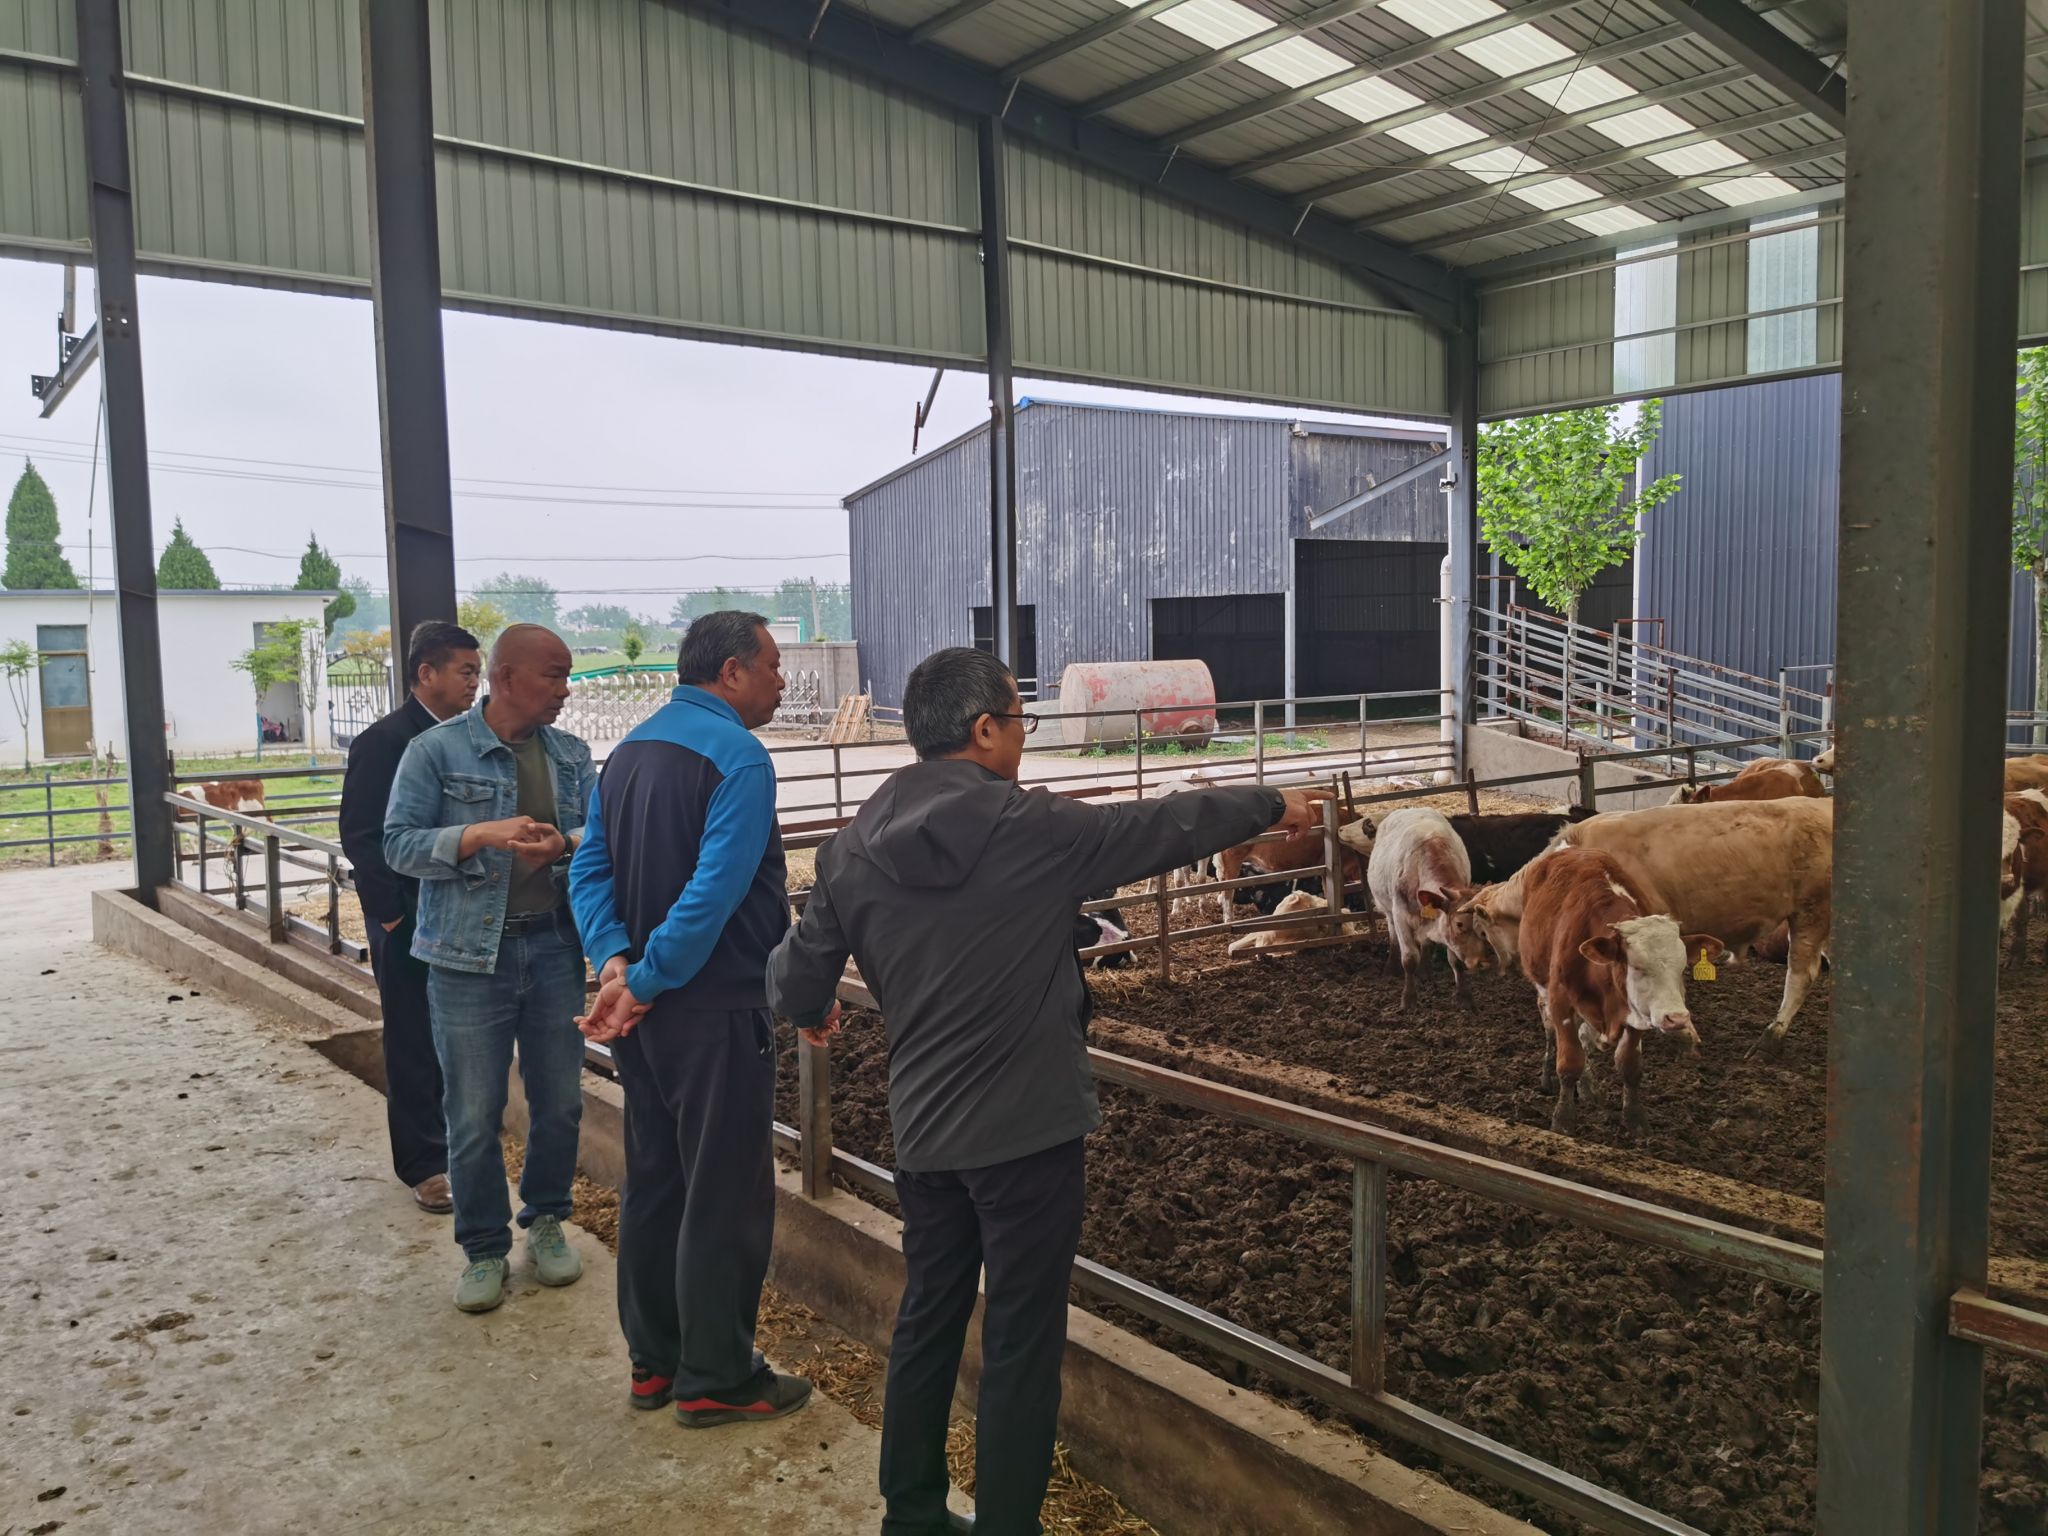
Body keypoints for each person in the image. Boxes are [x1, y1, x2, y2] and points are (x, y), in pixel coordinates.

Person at [764, 647, 1316, 1536]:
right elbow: (1160, 824)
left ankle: (911, 1515)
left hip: (926, 1133)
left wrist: (813, 1005)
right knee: (1021, 1340)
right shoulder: (1035, 828)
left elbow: (794, 981)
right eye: (1019, 721)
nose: (1024, 738)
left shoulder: (852, 847)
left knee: (928, 1317)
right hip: (1029, 1132)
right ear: (985, 729)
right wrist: (1267, 803)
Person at [570, 611, 813, 1427]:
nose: (781, 680)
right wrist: (645, 978)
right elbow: (715, 890)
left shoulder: (629, 750)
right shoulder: (739, 757)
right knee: (724, 1192)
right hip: (713, 1009)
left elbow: (589, 869)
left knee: (656, 1179)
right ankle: (716, 1376)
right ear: (732, 672)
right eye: (772, 665)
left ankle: (655, 1363)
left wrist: (614, 962)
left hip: (644, 1018)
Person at [383, 624, 597, 1314]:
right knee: (473, 1111)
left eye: (567, 677)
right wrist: (478, 834)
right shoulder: (435, 751)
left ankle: (547, 1219)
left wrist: (564, 843)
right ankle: (482, 1247)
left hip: (554, 947)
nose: (566, 691)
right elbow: (397, 845)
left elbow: (601, 835)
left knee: (560, 1101)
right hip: (467, 957)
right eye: (554, 676)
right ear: (506, 678)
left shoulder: (571, 755)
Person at [338, 620, 482, 1214]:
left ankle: (462, 1148)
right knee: (413, 1037)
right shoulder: (386, 741)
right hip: (409, 915)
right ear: (426, 673)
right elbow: (361, 835)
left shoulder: (469, 737)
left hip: (461, 910)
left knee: (460, 1035)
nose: (474, 684)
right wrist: (391, 916)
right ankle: (424, 1165)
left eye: (478, 673)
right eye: (465, 672)